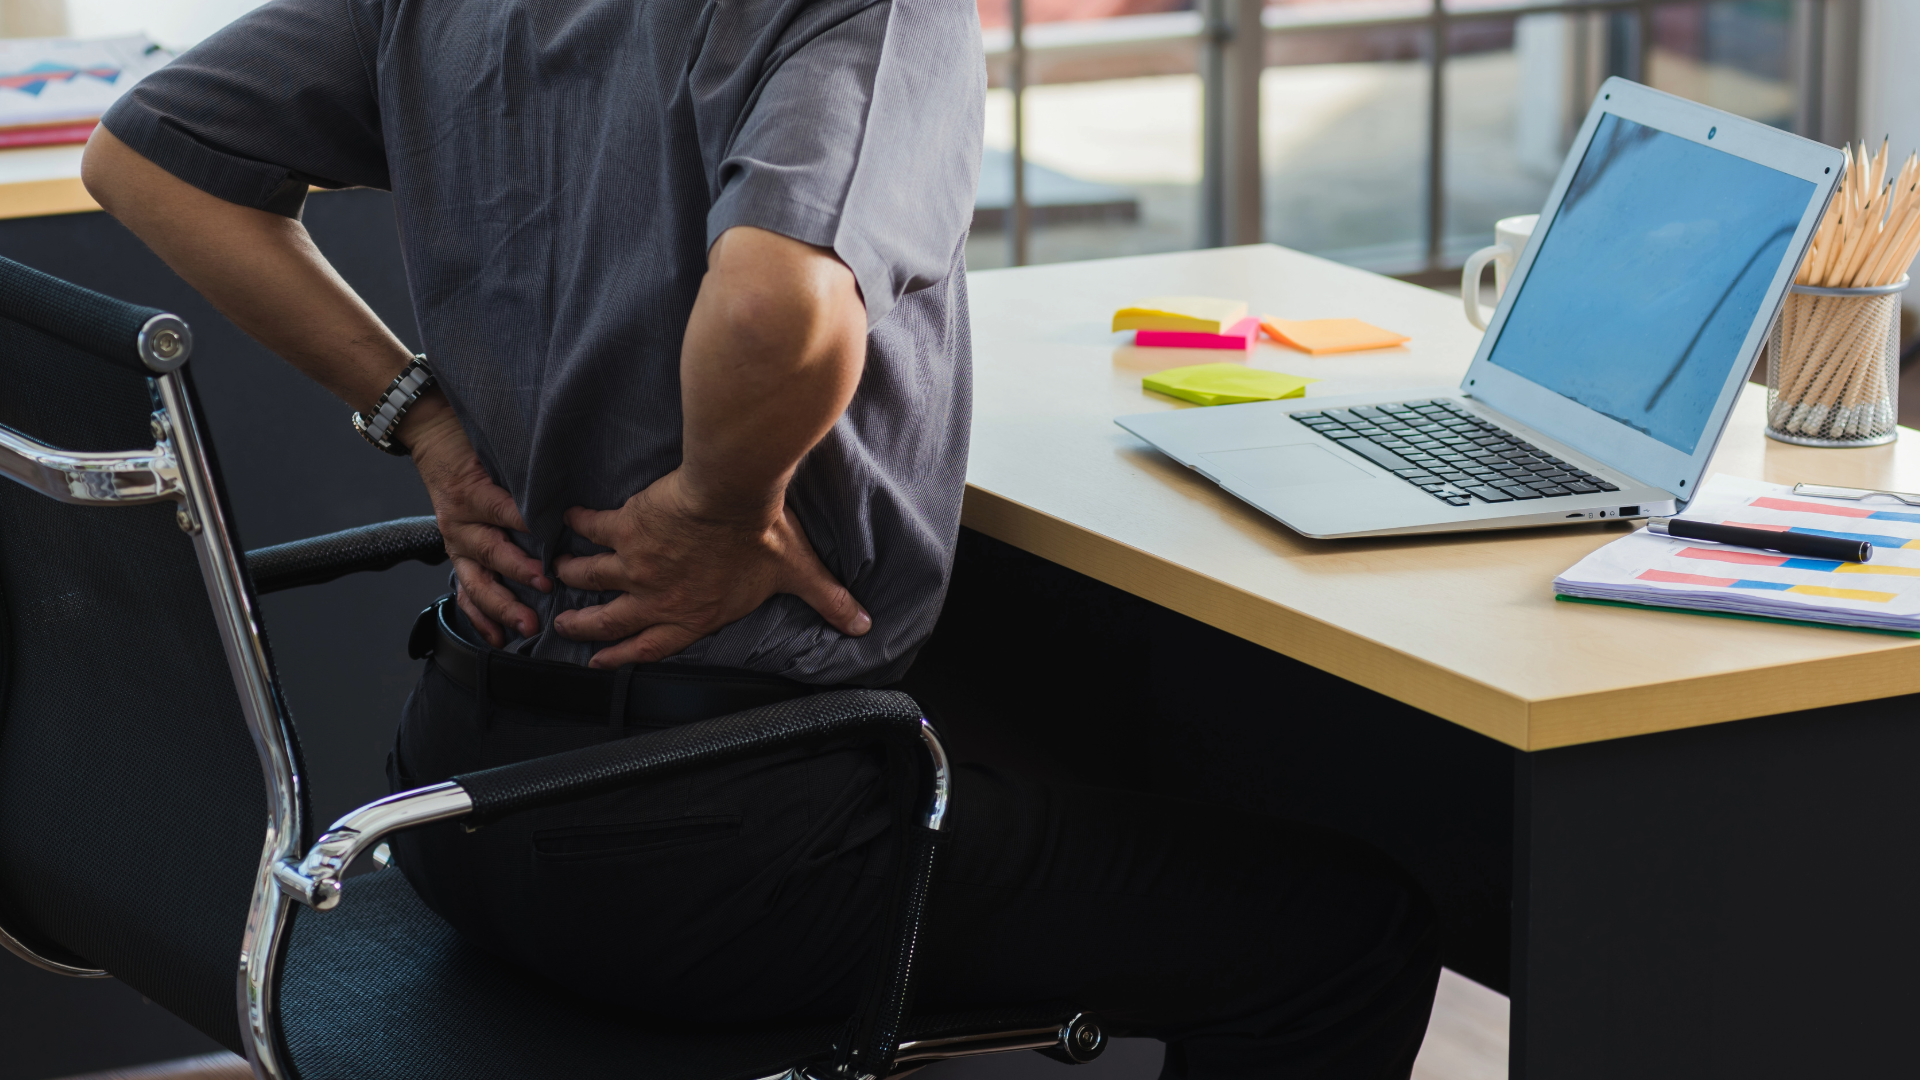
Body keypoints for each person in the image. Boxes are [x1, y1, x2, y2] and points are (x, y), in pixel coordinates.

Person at [82, 0, 1441, 1074]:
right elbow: (773, 305)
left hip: (455, 806)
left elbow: (140, 154)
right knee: (1346, 935)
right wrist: (716, 509)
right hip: (720, 855)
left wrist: (418, 414)